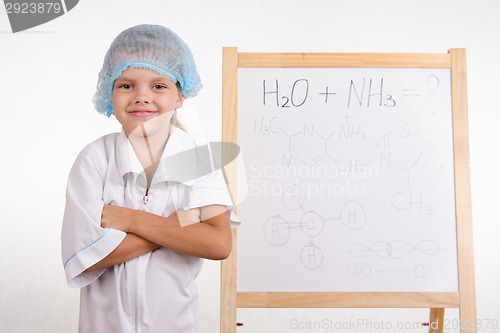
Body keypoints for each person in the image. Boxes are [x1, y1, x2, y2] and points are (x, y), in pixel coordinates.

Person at [61, 24, 239, 333]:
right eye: (127, 86)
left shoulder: (199, 159)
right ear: (109, 92)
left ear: (180, 95)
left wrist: (130, 219)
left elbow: (218, 242)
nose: (142, 97)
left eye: (158, 86)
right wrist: (176, 227)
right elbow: (85, 258)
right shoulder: (94, 160)